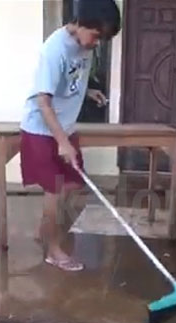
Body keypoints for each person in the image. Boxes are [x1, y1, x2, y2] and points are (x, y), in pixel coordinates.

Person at [19, 0, 121, 272]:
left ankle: (45, 230)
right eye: (97, 36)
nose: (97, 43)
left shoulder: (85, 44)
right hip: (42, 129)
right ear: (81, 23)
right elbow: (43, 101)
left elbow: (69, 80)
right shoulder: (55, 50)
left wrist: (87, 92)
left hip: (66, 126)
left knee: (71, 185)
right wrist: (61, 142)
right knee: (53, 190)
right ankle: (53, 250)